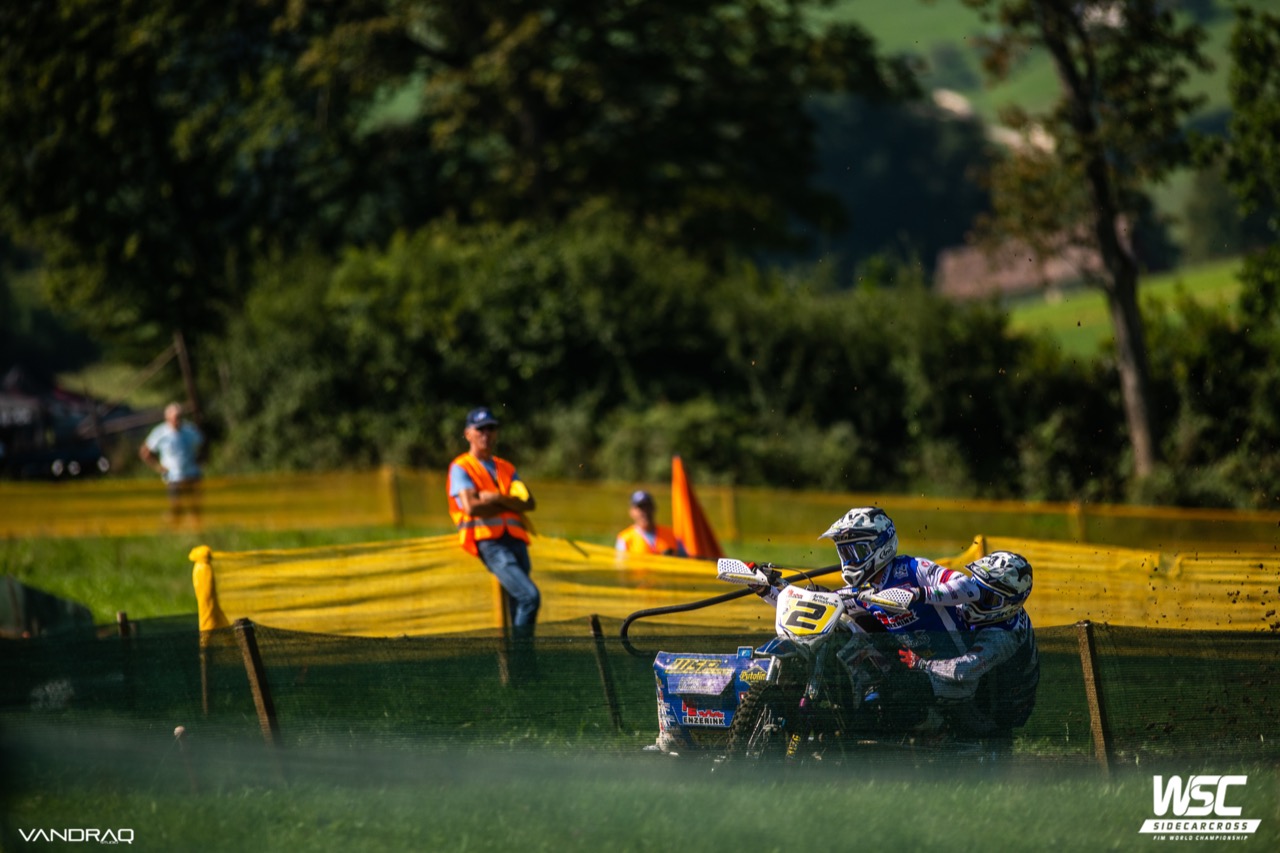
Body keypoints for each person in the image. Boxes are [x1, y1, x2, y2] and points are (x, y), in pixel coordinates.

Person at [754, 507, 1038, 741]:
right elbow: (820, 606)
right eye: (845, 552)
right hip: (910, 661)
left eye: (857, 551)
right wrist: (770, 588)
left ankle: (913, 740)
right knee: (840, 632)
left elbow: (967, 588)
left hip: (947, 678)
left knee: (892, 699)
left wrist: (918, 594)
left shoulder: (914, 569)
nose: (849, 560)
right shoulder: (865, 587)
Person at [446, 407, 540, 642]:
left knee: (519, 602)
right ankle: (522, 657)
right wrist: (510, 503)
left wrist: (496, 498)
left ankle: (518, 661)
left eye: (491, 428)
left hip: (516, 540)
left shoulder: (505, 467)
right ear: (468, 433)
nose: (486, 434)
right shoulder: (461, 466)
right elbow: (471, 507)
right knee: (530, 597)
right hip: (490, 542)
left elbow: (529, 503)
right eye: (480, 429)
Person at [139, 402, 204, 525]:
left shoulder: (190, 430)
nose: (178, 420)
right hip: (173, 476)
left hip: (192, 474)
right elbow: (145, 452)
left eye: (180, 417)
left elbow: (203, 444)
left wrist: (200, 460)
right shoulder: (160, 433)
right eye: (175, 417)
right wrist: (158, 467)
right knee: (176, 507)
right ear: (167, 418)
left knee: (195, 507)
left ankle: (197, 529)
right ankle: (175, 528)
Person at [615, 490, 687, 557]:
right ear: (632, 512)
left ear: (654, 508)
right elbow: (620, 563)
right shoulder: (625, 539)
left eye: (647, 507)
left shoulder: (672, 534)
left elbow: (687, 558)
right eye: (640, 508)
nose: (645, 512)